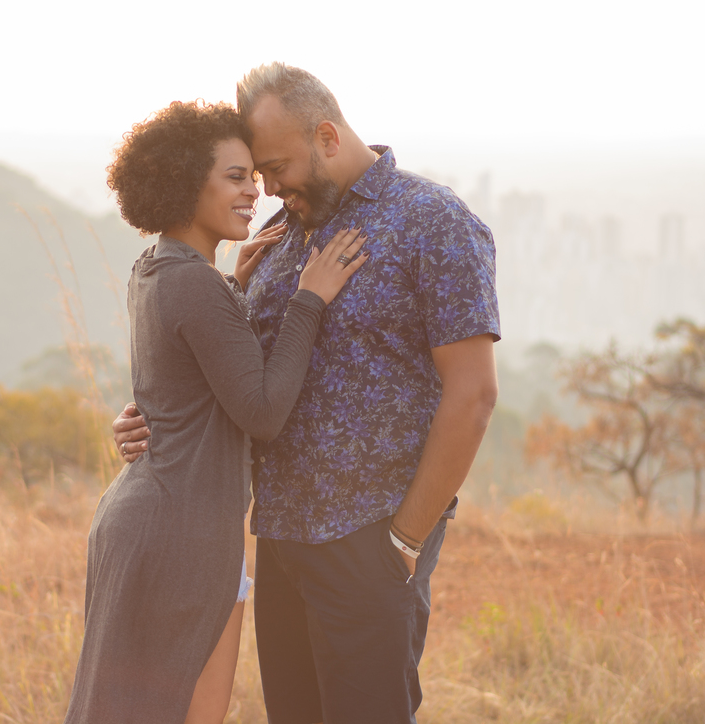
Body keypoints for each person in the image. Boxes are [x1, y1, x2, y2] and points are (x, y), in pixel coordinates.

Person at [113, 64, 501, 724]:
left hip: (371, 539)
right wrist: (157, 416)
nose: (267, 188)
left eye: (275, 167)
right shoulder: (283, 232)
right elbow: (241, 371)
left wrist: (405, 541)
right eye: (255, 174)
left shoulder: (432, 221)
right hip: (279, 536)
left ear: (326, 136)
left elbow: (474, 396)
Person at [62, 99, 368, 724]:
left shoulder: (154, 268)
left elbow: (184, 375)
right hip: (181, 531)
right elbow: (263, 412)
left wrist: (234, 290)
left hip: (158, 518)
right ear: (184, 184)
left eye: (253, 177)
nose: (254, 192)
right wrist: (308, 299)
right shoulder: (195, 283)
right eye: (235, 177)